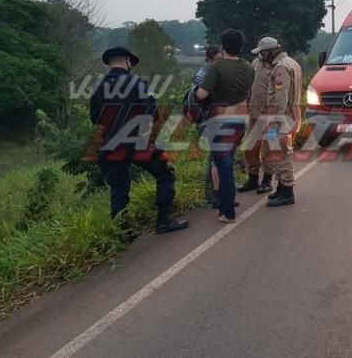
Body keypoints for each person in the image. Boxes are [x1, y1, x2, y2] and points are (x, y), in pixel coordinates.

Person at [90, 47, 189, 243]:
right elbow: (152, 113)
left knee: (118, 189)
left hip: (112, 143)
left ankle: (124, 232)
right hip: (137, 142)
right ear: (127, 61)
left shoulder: (98, 86)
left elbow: (95, 118)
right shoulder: (138, 84)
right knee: (164, 174)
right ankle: (163, 221)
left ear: (109, 63)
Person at [195, 29, 254, 223]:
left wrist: (196, 92)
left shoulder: (217, 67)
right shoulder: (248, 67)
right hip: (240, 119)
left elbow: (201, 95)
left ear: (222, 46)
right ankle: (224, 207)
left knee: (224, 166)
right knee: (227, 162)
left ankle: (227, 211)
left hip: (220, 120)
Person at [252, 37, 302, 207]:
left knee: (281, 153)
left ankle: (287, 191)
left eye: (263, 52)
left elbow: (281, 97)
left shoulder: (280, 68)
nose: (261, 56)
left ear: (270, 51)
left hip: (281, 115)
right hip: (291, 113)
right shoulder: (291, 62)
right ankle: (281, 187)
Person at [238, 50, 273, 195]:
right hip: (254, 113)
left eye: (262, 51)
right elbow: (250, 86)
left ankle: (267, 180)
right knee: (249, 147)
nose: (260, 53)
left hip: (270, 114)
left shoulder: (277, 66)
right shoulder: (255, 63)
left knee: (268, 149)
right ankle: (252, 178)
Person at [192, 45, 222, 209]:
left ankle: (216, 193)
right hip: (206, 120)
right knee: (216, 158)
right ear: (209, 59)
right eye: (218, 59)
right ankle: (213, 194)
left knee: (216, 157)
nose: (220, 62)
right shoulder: (204, 75)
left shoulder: (211, 73)